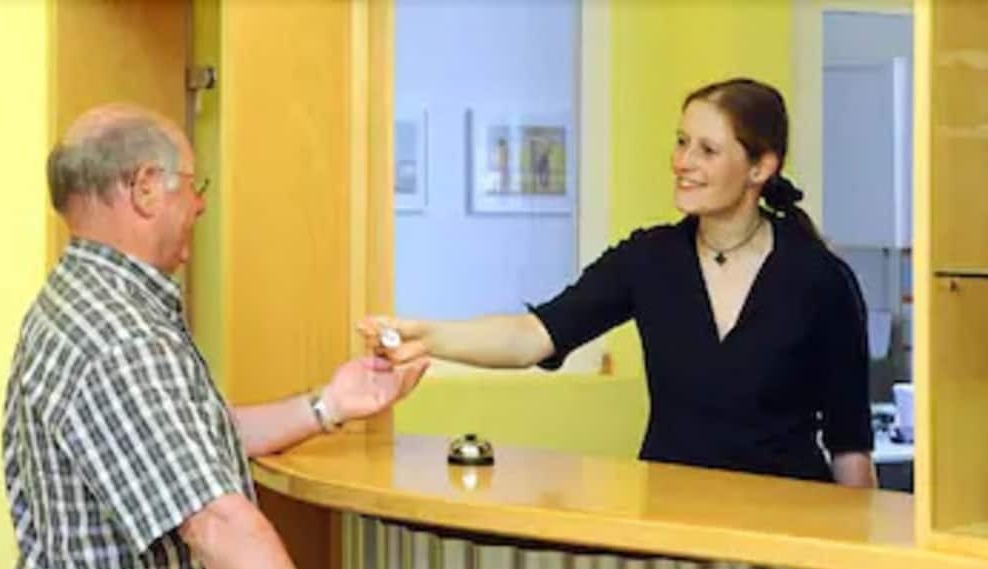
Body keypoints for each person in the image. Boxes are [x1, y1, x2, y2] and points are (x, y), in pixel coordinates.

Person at [3, 104, 430, 569]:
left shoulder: (83, 302)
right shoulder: (122, 337)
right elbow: (216, 522)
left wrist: (330, 403)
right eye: (191, 184)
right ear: (145, 189)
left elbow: (186, 441)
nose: (200, 204)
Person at [361, 78, 874, 488]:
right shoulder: (648, 259)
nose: (683, 162)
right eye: (681, 142)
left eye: (707, 150)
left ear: (761, 167)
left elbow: (850, 446)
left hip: (786, 532)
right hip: (672, 528)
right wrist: (427, 336)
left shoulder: (819, 278)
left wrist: (859, 560)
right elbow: (532, 336)